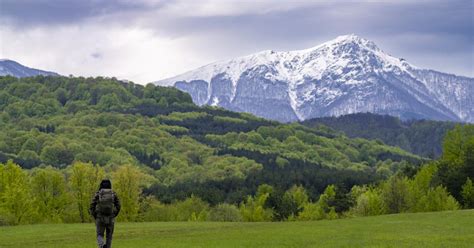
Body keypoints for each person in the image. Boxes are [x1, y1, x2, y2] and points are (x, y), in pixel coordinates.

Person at [89, 179, 121, 248]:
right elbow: (118, 206)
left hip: (100, 217)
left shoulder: (98, 193)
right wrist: (114, 214)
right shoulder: (113, 194)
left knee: (99, 235)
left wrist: (95, 215)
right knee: (109, 236)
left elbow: (92, 205)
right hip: (110, 218)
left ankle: (102, 245)